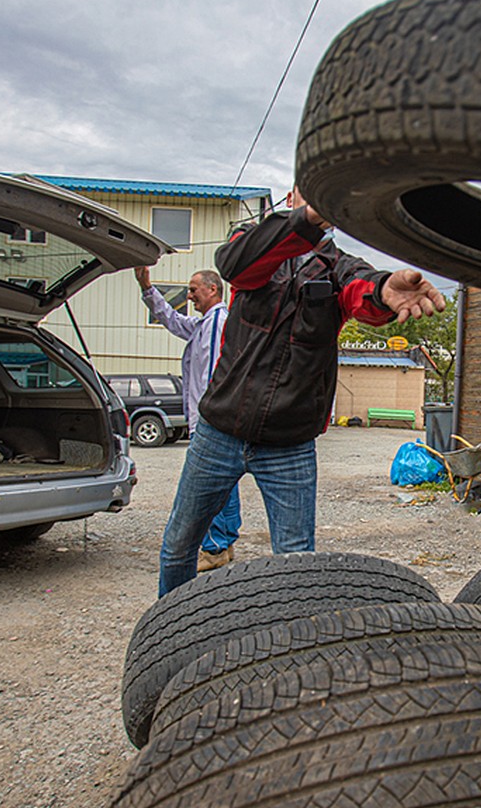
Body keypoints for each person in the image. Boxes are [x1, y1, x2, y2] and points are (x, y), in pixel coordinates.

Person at [156, 184, 446, 595]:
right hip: (218, 431)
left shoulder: (339, 268)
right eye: (307, 190)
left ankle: (294, 647)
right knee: (178, 545)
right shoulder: (254, 245)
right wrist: (306, 220)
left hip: (289, 445)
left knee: (297, 566)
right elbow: (234, 266)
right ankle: (168, 635)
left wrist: (384, 291)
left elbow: (364, 292)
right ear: (292, 198)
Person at [134, 266, 241, 576]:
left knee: (207, 487)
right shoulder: (205, 323)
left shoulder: (217, 323)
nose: (190, 295)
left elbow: (212, 376)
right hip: (211, 420)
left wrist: (208, 420)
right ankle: (224, 543)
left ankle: (215, 548)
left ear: (212, 290)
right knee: (226, 486)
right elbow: (173, 320)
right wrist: (147, 288)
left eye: (194, 289)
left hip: (210, 421)